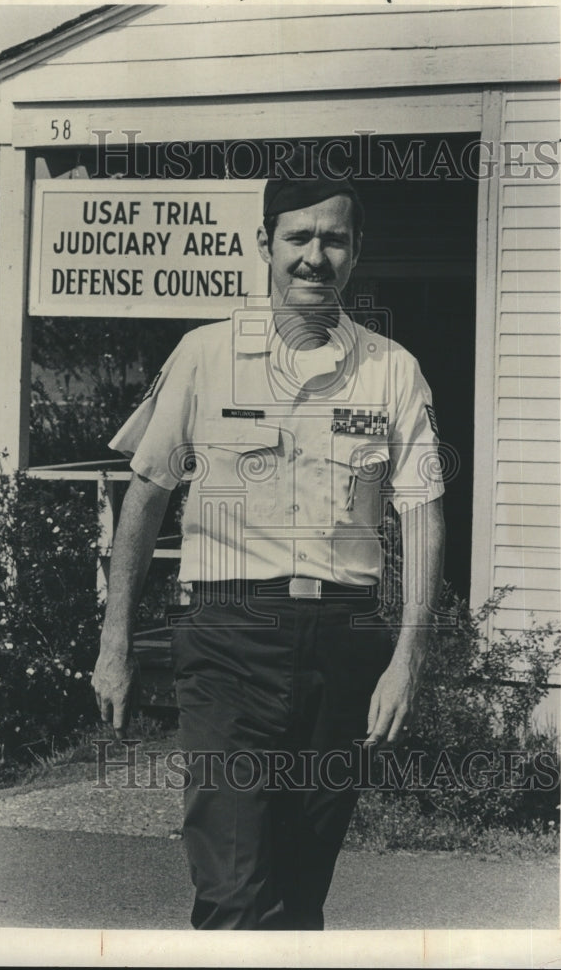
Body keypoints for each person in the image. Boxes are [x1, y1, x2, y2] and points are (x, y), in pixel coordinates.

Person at [92, 150, 445, 930]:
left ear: (355, 251)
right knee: (234, 893)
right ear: (264, 244)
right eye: (297, 238)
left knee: (298, 897)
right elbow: (145, 497)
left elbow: (422, 512)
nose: (315, 257)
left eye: (334, 239)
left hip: (343, 642)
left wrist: (408, 657)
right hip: (227, 637)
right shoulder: (204, 355)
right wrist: (114, 642)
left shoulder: (391, 370)